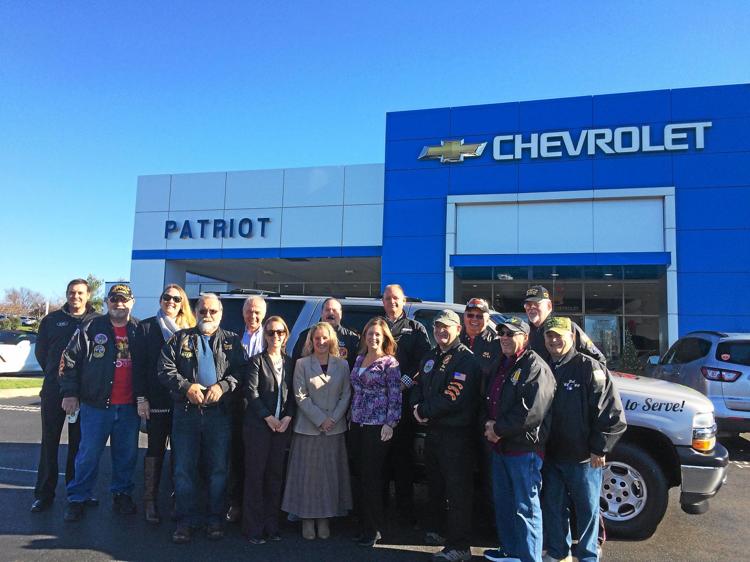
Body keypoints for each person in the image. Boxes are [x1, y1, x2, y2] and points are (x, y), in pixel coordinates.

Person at [158, 293, 247, 543]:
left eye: (213, 311)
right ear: (195, 312)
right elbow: (164, 369)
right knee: (184, 469)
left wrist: (223, 386)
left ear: (221, 313)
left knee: (219, 470)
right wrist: (186, 386)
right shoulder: (180, 338)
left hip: (219, 415)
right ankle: (185, 521)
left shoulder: (232, 340)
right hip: (186, 414)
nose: (207, 315)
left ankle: (215, 519)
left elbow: (241, 371)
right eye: (203, 311)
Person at [541, 317, 627, 562]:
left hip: (583, 458)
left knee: (587, 510)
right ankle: (558, 553)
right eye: (550, 335)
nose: (554, 340)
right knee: (554, 507)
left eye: (559, 335)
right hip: (551, 455)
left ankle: (588, 556)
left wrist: (599, 448)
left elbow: (611, 412)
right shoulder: (544, 367)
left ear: (572, 337)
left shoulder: (589, 367)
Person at [59, 284, 141, 522]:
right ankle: (77, 498)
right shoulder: (91, 326)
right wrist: (70, 392)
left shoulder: (139, 330)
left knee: (126, 455)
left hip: (128, 407)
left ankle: (122, 494)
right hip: (96, 405)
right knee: (88, 455)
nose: (119, 303)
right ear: (107, 302)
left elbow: (146, 367)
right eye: (114, 299)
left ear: (131, 302)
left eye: (124, 300)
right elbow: (69, 360)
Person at [481, 317, 556, 562]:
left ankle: (530, 557)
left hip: (523, 449)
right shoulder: (502, 363)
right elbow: (487, 397)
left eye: (511, 334)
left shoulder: (535, 366)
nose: (504, 337)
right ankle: (510, 550)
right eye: (501, 333)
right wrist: (489, 426)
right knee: (504, 503)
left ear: (525, 337)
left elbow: (531, 411)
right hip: (500, 447)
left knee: (526, 507)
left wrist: (498, 429)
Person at [411, 309, 480, 562]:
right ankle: (439, 532)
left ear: (458, 329)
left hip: (456, 436)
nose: (441, 330)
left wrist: (424, 411)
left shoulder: (466, 360)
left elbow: (454, 395)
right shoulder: (430, 357)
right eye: (438, 326)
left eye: (447, 326)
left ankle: (460, 546)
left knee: (458, 492)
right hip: (434, 434)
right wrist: (415, 407)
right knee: (436, 486)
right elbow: (417, 385)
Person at [31, 278, 99, 513]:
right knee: (49, 443)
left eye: (80, 293)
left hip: (84, 393)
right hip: (53, 391)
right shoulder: (52, 320)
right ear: (67, 294)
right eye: (72, 292)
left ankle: (77, 491)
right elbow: (41, 353)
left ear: (88, 295)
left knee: (80, 446)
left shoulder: (97, 321)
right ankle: (44, 494)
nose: (75, 297)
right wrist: (56, 376)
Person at [282, 322, 352, 540]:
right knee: (308, 478)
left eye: (325, 338)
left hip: (334, 429)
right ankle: (307, 519)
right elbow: (300, 395)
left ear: (332, 339)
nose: (321, 342)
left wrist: (332, 419)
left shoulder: (342, 365)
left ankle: (325, 519)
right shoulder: (302, 364)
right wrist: (321, 419)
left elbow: (346, 394)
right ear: (311, 341)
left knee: (329, 477)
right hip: (308, 429)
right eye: (317, 338)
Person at [133, 284, 196, 524]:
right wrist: (141, 398)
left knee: (182, 454)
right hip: (156, 399)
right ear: (160, 300)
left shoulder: (190, 329)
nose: (171, 301)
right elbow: (138, 366)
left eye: (176, 299)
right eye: (166, 297)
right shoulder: (146, 327)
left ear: (183, 303)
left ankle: (178, 501)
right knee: (155, 450)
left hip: (183, 401)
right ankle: (150, 500)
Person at [242, 316, 296, 544]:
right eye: (271, 332)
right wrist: (268, 417)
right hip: (258, 427)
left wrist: (286, 417)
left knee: (275, 477)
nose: (276, 336)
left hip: (282, 427)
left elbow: (295, 393)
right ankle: (253, 528)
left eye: (280, 332)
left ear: (286, 335)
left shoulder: (291, 362)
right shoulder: (257, 361)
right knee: (255, 477)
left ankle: (272, 525)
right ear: (265, 335)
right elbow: (251, 393)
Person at [348, 317, 402, 548]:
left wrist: (391, 423)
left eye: (378, 334)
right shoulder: (360, 358)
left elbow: (395, 395)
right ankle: (362, 525)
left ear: (385, 337)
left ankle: (374, 529)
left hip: (378, 426)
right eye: (370, 334)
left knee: (373, 478)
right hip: (357, 423)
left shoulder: (390, 363)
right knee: (359, 476)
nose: (373, 338)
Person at [381, 283, 431, 519]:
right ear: (383, 301)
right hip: (377, 405)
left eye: (396, 298)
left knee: (403, 459)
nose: (392, 302)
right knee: (379, 460)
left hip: (403, 401)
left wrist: (406, 382)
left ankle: (404, 512)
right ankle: (377, 510)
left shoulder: (416, 328)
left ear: (404, 301)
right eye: (388, 298)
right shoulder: (375, 326)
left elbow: (425, 363)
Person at [459, 297, 501, 533]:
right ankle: (463, 523)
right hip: (458, 420)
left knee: (490, 474)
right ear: (464, 317)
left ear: (487, 318)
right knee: (460, 473)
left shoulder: (496, 343)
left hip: (485, 419)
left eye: (479, 315)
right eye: (470, 315)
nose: (474, 319)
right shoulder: (456, 338)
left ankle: (495, 527)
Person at [226, 295, 267, 523]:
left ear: (264, 314)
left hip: (262, 406)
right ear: (243, 313)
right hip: (235, 404)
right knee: (235, 454)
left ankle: (257, 505)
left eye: (257, 312)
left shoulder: (272, 335)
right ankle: (235, 502)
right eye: (249, 311)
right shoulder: (231, 336)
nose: (253, 315)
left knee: (258, 458)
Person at [523, 285, 606, 365]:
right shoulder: (524, 333)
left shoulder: (568, 328)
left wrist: (576, 376)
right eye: (528, 305)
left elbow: (598, 359)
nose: (531, 308)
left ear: (549, 306)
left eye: (536, 304)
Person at [292, 297, 360, 370]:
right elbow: (296, 363)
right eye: (327, 310)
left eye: (334, 310)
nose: (331, 313)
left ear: (340, 314)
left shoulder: (351, 338)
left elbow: (355, 367)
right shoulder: (306, 335)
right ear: (321, 313)